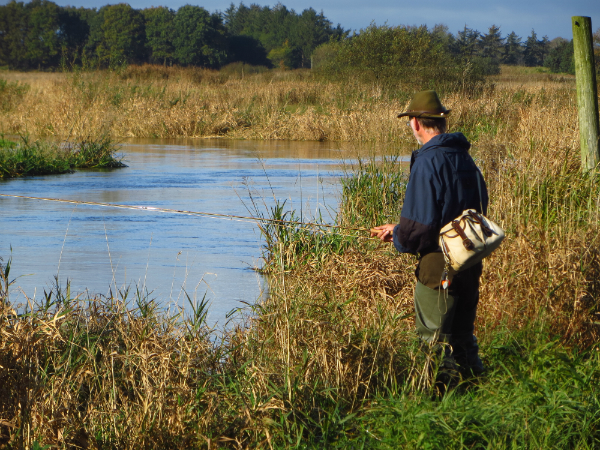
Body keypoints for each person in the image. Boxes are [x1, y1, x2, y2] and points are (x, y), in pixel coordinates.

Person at [371, 90, 488, 379]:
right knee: (463, 339)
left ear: (415, 123)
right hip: (470, 261)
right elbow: (478, 209)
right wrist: (399, 229)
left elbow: (419, 229)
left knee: (433, 344)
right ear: (442, 123)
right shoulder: (465, 158)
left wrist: (399, 237)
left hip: (438, 265)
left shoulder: (427, 161)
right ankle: (478, 391)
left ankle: (440, 405)